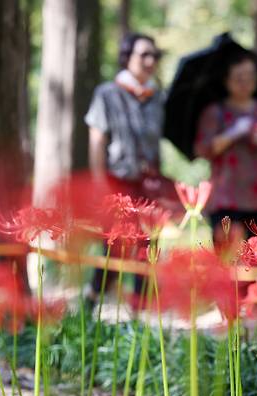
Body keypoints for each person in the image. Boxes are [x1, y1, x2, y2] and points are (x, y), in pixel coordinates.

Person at [84, 32, 167, 303]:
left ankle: (140, 311)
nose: (150, 60)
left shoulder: (158, 97)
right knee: (116, 243)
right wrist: (99, 184)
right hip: (117, 181)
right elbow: (97, 139)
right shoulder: (108, 93)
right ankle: (92, 300)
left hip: (150, 184)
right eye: (143, 54)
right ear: (127, 57)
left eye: (154, 55)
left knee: (148, 244)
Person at [194, 51, 257, 251]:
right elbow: (203, 149)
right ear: (226, 80)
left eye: (250, 77)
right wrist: (232, 133)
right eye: (239, 77)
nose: (245, 82)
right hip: (227, 201)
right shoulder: (215, 112)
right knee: (229, 266)